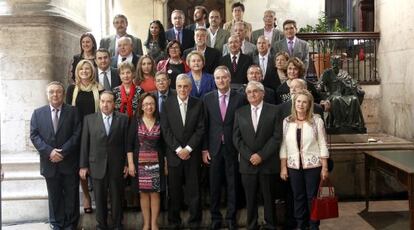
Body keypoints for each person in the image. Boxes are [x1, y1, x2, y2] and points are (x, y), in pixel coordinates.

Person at [30, 81, 81, 230]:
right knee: (54, 196)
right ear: (47, 95)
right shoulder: (38, 113)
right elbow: (34, 136)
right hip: (49, 162)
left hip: (69, 161)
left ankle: (71, 224)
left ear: (64, 94)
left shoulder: (73, 111)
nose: (55, 95)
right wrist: (49, 152)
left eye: (58, 92)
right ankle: (56, 223)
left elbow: (77, 134)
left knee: (71, 195)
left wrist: (63, 152)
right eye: (51, 92)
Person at [233, 81, 282, 230]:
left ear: (262, 93)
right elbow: (236, 138)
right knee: (250, 199)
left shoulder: (274, 110)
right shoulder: (240, 112)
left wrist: (261, 155)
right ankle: (252, 225)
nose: (252, 94)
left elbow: (277, 136)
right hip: (248, 165)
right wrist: (249, 156)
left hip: (268, 163)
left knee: (269, 198)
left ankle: (271, 225)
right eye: (249, 92)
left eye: (255, 91)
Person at [202, 66, 246, 230]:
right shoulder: (207, 98)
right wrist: (204, 149)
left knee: (232, 183)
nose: (221, 80)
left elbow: (243, 124)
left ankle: (231, 217)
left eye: (224, 77)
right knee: (214, 183)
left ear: (229, 79)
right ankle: (215, 217)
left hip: (233, 147)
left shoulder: (240, 98)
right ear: (214, 80)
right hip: (213, 148)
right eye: (218, 78)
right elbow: (204, 125)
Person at [279, 89, 329, 230]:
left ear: (309, 105)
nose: (301, 105)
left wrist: (324, 167)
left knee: (312, 197)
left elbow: (323, 144)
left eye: (304, 102)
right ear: (294, 103)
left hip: (313, 166)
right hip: (293, 165)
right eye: (298, 101)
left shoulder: (316, 121)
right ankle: (301, 225)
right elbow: (283, 146)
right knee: (298, 197)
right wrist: (283, 167)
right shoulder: (287, 121)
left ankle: (313, 225)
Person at [80, 91, 129, 230]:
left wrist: (126, 163)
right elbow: (85, 143)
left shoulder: (123, 119)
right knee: (99, 199)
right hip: (96, 165)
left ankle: (118, 225)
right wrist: (83, 165)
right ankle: (101, 225)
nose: (105, 104)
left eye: (108, 102)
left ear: (114, 103)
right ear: (99, 102)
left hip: (117, 165)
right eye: (102, 101)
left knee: (117, 198)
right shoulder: (89, 119)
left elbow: (127, 144)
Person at [160, 74, 205, 229]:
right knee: (174, 191)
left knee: (194, 190)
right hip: (174, 154)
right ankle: (174, 222)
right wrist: (179, 149)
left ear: (190, 87)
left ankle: (195, 222)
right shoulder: (167, 104)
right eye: (180, 86)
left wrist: (188, 148)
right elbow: (165, 130)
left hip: (192, 155)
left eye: (186, 86)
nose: (183, 89)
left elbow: (200, 129)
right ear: (175, 87)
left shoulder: (198, 104)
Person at [66, 60, 103, 214]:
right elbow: (68, 112)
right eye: (82, 69)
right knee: (81, 164)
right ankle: (87, 196)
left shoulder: (99, 89)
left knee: (95, 163)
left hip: (95, 130)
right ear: (77, 71)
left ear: (92, 71)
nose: (85, 71)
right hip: (77, 131)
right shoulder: (71, 89)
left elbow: (103, 110)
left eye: (88, 68)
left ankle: (99, 195)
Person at [127, 93, 165, 230]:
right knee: (143, 194)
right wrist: (130, 164)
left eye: (152, 104)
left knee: (155, 193)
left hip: (156, 161)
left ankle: (154, 224)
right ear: (141, 106)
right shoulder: (135, 121)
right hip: (140, 162)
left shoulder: (161, 120)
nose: (149, 106)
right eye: (146, 104)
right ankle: (146, 224)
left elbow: (164, 144)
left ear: (155, 105)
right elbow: (129, 144)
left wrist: (165, 163)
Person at [318, 57, 365, 130]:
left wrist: (357, 88)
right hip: (332, 95)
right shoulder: (327, 73)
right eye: (333, 63)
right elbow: (320, 84)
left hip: (344, 95)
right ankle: (337, 123)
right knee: (336, 99)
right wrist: (319, 87)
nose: (335, 65)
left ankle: (352, 123)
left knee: (354, 99)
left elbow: (352, 83)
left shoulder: (344, 73)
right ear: (331, 63)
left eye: (336, 63)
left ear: (340, 64)